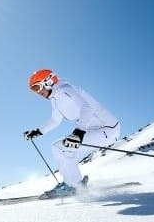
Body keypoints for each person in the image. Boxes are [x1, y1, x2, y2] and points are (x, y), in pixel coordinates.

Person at [23, 69, 120, 198]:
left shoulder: (64, 90)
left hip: (107, 129)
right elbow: (55, 120)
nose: (38, 92)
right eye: (34, 90)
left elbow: (87, 108)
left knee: (60, 148)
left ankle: (73, 186)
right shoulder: (55, 98)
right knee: (62, 149)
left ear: (48, 81)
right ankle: (75, 184)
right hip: (95, 130)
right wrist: (38, 131)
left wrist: (79, 132)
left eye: (37, 87)